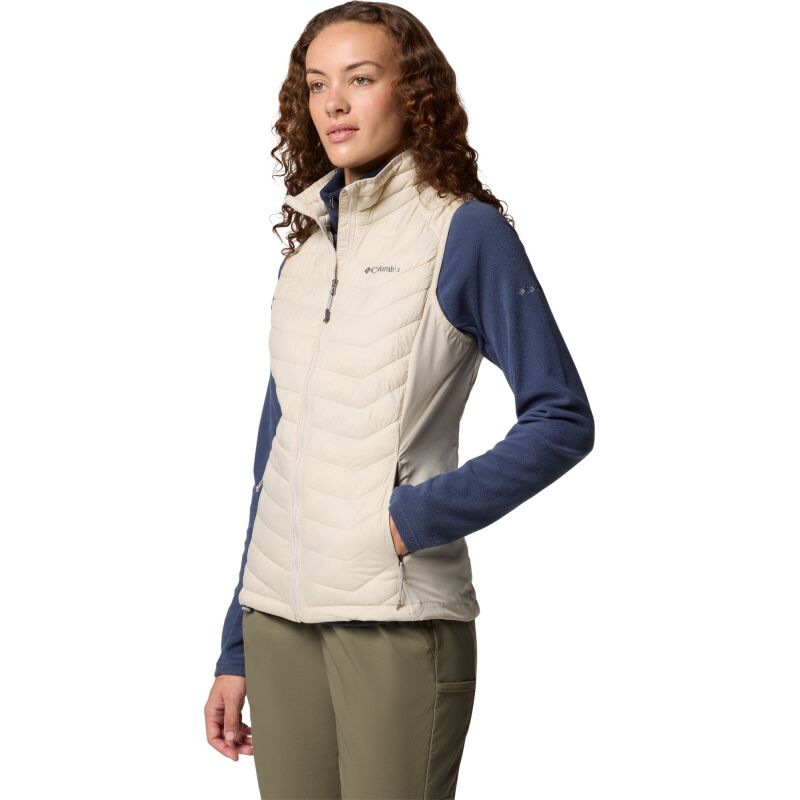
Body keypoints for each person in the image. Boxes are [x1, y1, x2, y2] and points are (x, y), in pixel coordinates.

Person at [204, 3, 595, 798]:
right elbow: (272, 462)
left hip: (396, 617)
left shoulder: (464, 232)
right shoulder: (307, 254)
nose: (334, 103)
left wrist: (410, 520)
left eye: (360, 78)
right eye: (318, 84)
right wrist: (235, 645)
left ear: (412, 93)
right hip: (278, 621)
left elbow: (561, 418)